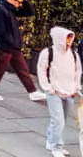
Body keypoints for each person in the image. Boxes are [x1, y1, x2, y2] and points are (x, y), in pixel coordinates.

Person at [0, 0, 47, 101]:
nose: (20, 5)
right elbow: (0, 31)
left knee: (22, 69)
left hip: (13, 45)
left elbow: (29, 12)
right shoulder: (1, 10)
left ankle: (32, 92)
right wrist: (11, 41)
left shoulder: (10, 8)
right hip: (6, 45)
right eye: (18, 2)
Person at [40, 26, 82, 156]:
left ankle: (51, 139)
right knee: (58, 121)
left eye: (70, 39)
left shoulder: (73, 55)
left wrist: (76, 87)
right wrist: (48, 88)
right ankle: (56, 147)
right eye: (67, 39)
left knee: (60, 119)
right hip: (55, 93)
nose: (69, 42)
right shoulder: (48, 53)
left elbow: (78, 71)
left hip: (69, 93)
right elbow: (41, 70)